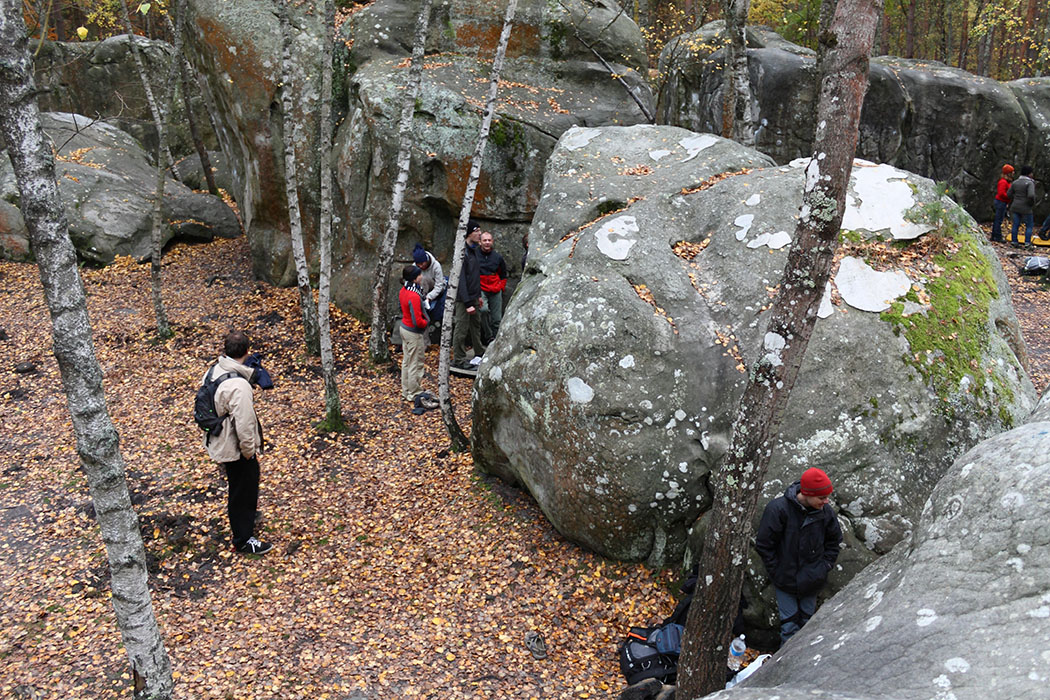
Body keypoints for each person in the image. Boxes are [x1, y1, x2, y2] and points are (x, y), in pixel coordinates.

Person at [755, 467, 842, 647]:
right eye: (822, 497)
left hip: (812, 579)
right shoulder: (778, 509)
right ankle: (784, 670)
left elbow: (834, 540)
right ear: (808, 493)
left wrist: (824, 566)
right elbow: (764, 544)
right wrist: (777, 571)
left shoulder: (825, 512)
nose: (826, 501)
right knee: (789, 626)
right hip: (785, 580)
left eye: (827, 497)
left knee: (807, 625)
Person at [203, 330, 272, 555]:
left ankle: (245, 520)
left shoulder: (214, 370)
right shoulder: (239, 386)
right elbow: (244, 423)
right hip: (234, 447)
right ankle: (243, 539)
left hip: (219, 440)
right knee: (244, 488)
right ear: (246, 351)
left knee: (237, 485)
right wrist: (249, 451)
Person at [452, 219, 485, 370]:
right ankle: (459, 359)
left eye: (480, 231)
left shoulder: (474, 250)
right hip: (463, 299)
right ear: (469, 233)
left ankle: (479, 351)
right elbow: (461, 280)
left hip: (473, 296)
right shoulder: (461, 252)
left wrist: (478, 296)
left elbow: (475, 276)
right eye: (476, 231)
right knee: (461, 328)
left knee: (476, 325)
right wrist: (466, 303)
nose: (479, 234)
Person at [398, 264, 430, 406]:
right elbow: (417, 320)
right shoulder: (414, 296)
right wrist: (426, 322)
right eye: (419, 275)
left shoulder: (403, 290)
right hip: (412, 332)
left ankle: (406, 391)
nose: (421, 276)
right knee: (415, 363)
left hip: (404, 328)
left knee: (407, 361)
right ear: (414, 278)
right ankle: (414, 392)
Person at [477, 229, 508, 345]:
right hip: (481, 287)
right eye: (484, 240)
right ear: (480, 242)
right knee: (483, 310)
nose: (487, 242)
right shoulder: (475, 255)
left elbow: (503, 274)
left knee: (497, 318)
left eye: (489, 240)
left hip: (495, 288)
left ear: (492, 242)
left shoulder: (497, 257)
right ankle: (488, 336)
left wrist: (501, 286)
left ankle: (496, 340)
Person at [411, 243, 447, 334]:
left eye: (422, 264)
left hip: (436, 288)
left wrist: (429, 297)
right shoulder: (414, 266)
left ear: (426, 260)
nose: (421, 266)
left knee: (424, 279)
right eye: (418, 265)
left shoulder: (436, 266)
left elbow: (439, 285)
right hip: (422, 289)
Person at [1008, 165, 1037, 249]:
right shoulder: (1030, 183)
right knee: (1029, 225)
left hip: (1015, 206)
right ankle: (1027, 243)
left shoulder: (1015, 182)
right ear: (1029, 174)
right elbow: (1031, 195)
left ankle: (1014, 242)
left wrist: (1015, 199)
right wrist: (1031, 203)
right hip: (1026, 207)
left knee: (1015, 225)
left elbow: (1009, 194)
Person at [991, 164, 1014, 242]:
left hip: (1003, 202)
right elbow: (1001, 193)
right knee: (999, 219)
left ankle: (994, 235)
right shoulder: (1003, 182)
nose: (1013, 173)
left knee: (998, 219)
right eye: (1012, 171)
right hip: (1001, 202)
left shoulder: (1006, 181)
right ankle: (997, 236)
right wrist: (1009, 196)